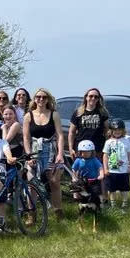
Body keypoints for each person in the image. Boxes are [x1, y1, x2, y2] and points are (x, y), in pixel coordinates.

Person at [23, 87, 65, 219]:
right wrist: (28, 155)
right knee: (32, 183)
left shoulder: (54, 114)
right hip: (34, 151)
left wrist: (60, 154)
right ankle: (31, 214)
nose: (41, 99)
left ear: (48, 99)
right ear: (34, 99)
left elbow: (60, 135)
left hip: (51, 151)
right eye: (38, 97)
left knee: (54, 181)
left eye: (44, 97)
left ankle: (58, 211)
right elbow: (26, 138)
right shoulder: (28, 115)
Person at [68, 87, 109, 160]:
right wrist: (71, 148)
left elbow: (107, 131)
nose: (93, 98)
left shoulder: (103, 113)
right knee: (80, 170)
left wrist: (107, 148)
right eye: (91, 96)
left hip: (97, 148)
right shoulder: (78, 112)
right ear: (86, 97)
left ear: (98, 99)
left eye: (96, 97)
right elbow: (71, 132)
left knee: (96, 170)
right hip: (81, 148)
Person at [103, 119, 130, 212]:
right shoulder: (108, 142)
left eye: (119, 130)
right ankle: (113, 205)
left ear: (123, 131)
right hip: (112, 170)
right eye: (115, 130)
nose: (117, 132)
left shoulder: (126, 141)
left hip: (123, 170)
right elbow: (105, 155)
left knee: (124, 188)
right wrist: (105, 168)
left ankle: (124, 204)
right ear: (111, 131)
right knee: (111, 189)